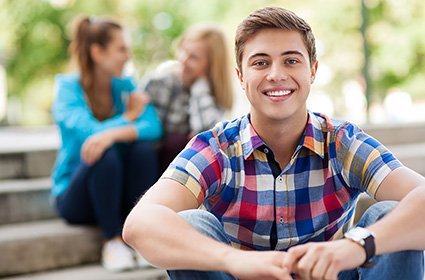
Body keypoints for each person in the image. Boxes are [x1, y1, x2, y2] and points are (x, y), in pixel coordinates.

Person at [123, 6, 425, 280]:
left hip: (334, 273)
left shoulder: (343, 142)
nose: (276, 75)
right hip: (241, 276)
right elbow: (140, 224)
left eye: (291, 60)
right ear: (241, 77)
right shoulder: (216, 148)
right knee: (190, 222)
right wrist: (231, 260)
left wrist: (356, 246)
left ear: (312, 71)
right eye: (260, 63)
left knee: (389, 212)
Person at [50, 15, 162, 272]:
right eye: (121, 49)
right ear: (98, 52)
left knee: (142, 150)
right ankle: (111, 241)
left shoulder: (125, 84)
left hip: (117, 190)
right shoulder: (67, 89)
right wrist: (128, 118)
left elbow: (154, 127)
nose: (128, 56)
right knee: (104, 153)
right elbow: (91, 136)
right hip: (76, 196)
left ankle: (137, 236)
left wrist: (112, 132)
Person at [139, 23, 233, 173]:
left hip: (181, 169)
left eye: (193, 57)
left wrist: (200, 89)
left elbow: (208, 133)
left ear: (211, 67)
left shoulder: (211, 95)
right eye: (183, 50)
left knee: (185, 144)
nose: (183, 59)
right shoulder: (159, 81)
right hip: (146, 162)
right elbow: (145, 127)